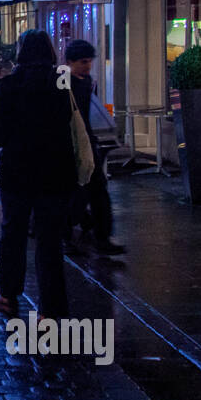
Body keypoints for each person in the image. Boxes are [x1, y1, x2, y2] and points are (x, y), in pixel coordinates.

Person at [0, 29, 75, 319]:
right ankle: (51, 307)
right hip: (56, 171)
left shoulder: (9, 85)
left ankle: (8, 294)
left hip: (17, 170)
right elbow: (68, 125)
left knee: (13, 232)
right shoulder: (60, 83)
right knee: (50, 239)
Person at [64, 39, 125, 255]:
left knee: (96, 190)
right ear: (70, 62)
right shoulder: (65, 83)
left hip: (87, 142)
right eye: (83, 62)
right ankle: (74, 233)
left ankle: (100, 235)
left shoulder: (85, 80)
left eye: (89, 61)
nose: (87, 66)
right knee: (81, 192)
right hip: (73, 145)